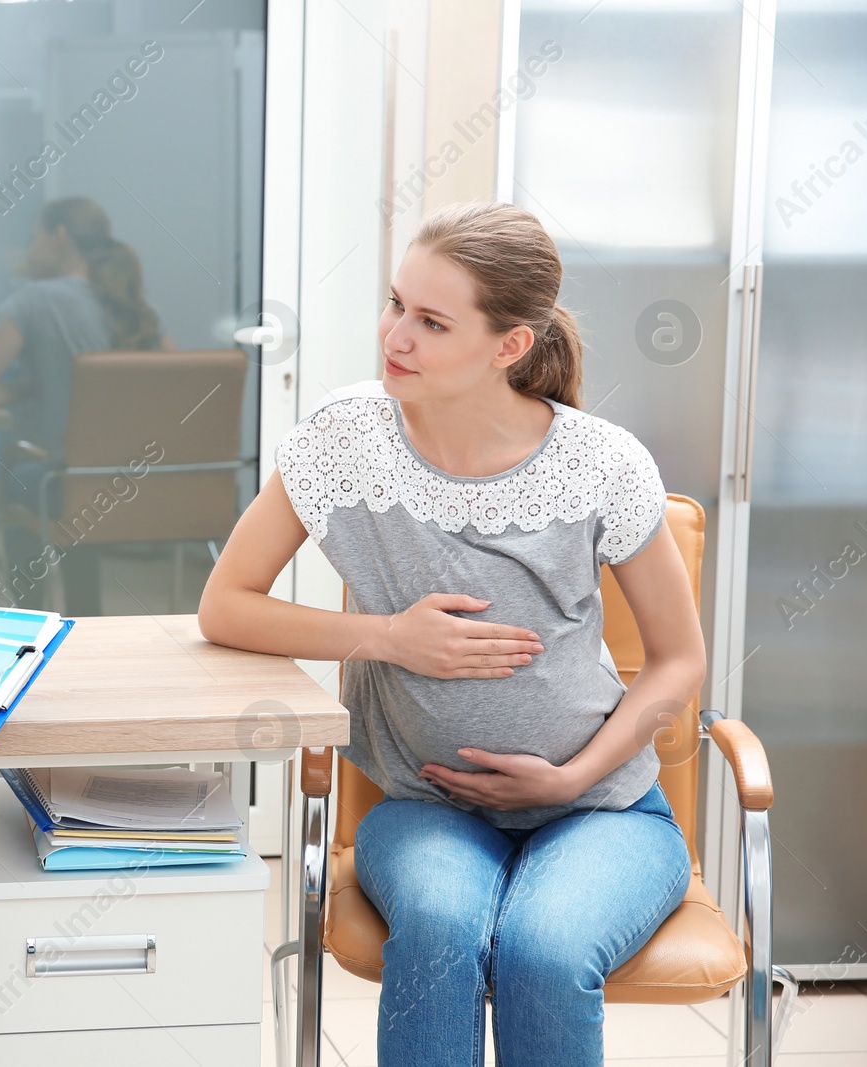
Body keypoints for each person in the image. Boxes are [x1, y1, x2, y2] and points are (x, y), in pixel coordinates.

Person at [198, 202, 705, 1065]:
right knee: (440, 933)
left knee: (543, 948)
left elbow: (679, 657)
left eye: (431, 322)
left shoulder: (601, 461)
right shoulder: (345, 439)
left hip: (603, 811)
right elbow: (227, 605)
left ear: (509, 345)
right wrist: (388, 636)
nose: (395, 335)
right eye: (396, 303)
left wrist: (572, 775)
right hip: (427, 806)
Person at [0, 196, 169, 614]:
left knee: (23, 475)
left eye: (34, 236)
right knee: (69, 481)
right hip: (145, 483)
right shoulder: (134, 306)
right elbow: (174, 384)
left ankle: (30, 616)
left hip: (73, 486)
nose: (30, 247)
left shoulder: (34, 300)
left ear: (59, 236)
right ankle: (84, 614)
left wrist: (28, 386)